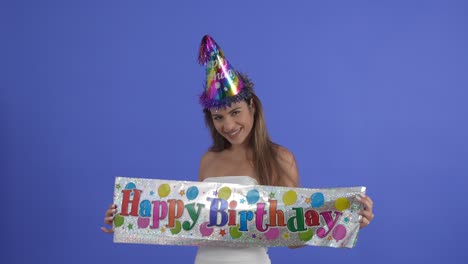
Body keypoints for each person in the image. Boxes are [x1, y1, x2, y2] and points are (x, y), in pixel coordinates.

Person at [102, 35, 375, 264]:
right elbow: (193, 224)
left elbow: (294, 236)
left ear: (252, 107)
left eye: (235, 112)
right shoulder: (208, 160)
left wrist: (347, 219)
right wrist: (129, 217)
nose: (228, 125)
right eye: (218, 117)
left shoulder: (279, 158)